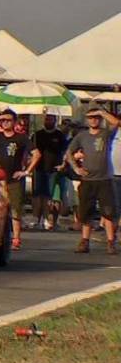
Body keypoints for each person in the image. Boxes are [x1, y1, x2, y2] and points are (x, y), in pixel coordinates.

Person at [0, 110, 38, 250]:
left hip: (14, 179)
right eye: (4, 120)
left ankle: (16, 239)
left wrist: (26, 171)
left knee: (15, 210)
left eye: (9, 120)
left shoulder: (21, 138)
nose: (6, 122)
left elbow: (36, 154)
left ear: (14, 122)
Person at [65, 107, 118, 254]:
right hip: (87, 179)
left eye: (96, 118)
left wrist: (101, 112)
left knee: (108, 212)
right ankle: (85, 241)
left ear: (100, 119)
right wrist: (76, 168)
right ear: (87, 119)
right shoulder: (82, 136)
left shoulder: (105, 134)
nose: (93, 120)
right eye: (91, 117)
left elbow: (116, 123)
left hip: (104, 179)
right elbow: (69, 152)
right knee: (86, 212)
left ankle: (110, 242)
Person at [32, 113, 67, 231]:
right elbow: (31, 151)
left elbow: (65, 152)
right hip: (39, 170)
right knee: (38, 196)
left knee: (53, 197)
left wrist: (63, 165)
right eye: (46, 119)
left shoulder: (59, 135)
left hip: (54, 171)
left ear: (55, 120)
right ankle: (37, 220)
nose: (48, 121)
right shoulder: (37, 135)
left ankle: (52, 221)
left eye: (51, 119)